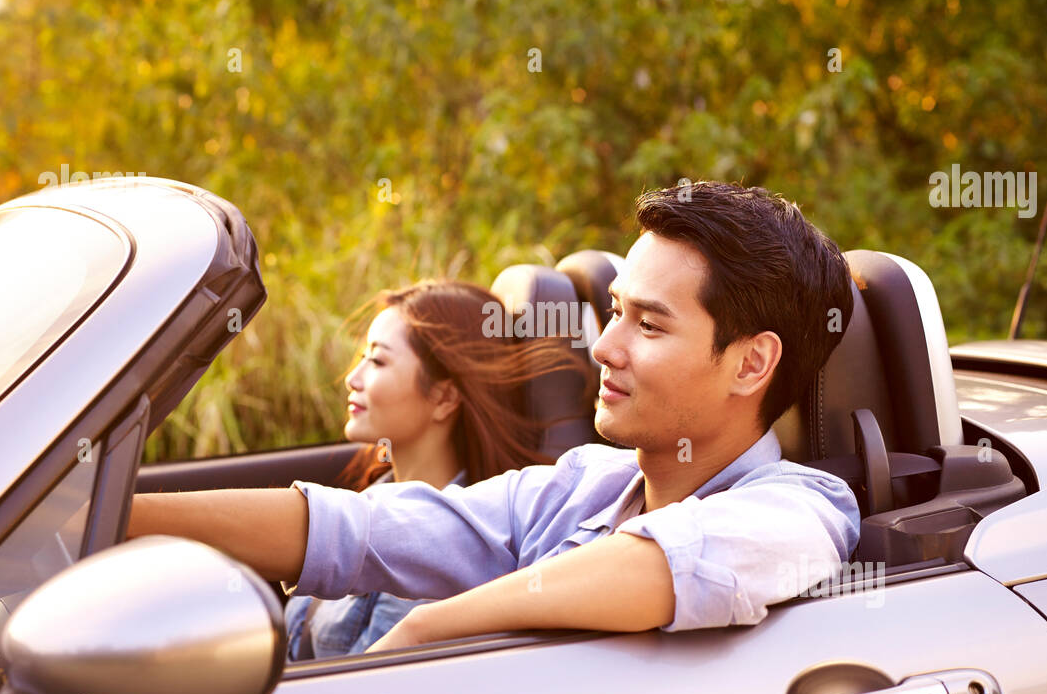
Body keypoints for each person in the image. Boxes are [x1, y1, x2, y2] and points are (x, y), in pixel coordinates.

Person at [126, 182, 862, 649]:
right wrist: (109, 518)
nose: (605, 346)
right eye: (614, 313)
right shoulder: (582, 484)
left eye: (650, 325)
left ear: (751, 363)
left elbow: (669, 560)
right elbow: (362, 528)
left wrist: (421, 630)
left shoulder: (801, 509)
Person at [284, 279, 589, 659]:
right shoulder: (376, 492)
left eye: (377, 360)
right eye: (363, 356)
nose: (352, 378)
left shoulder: (436, 564)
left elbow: (359, 688)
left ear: (444, 397)